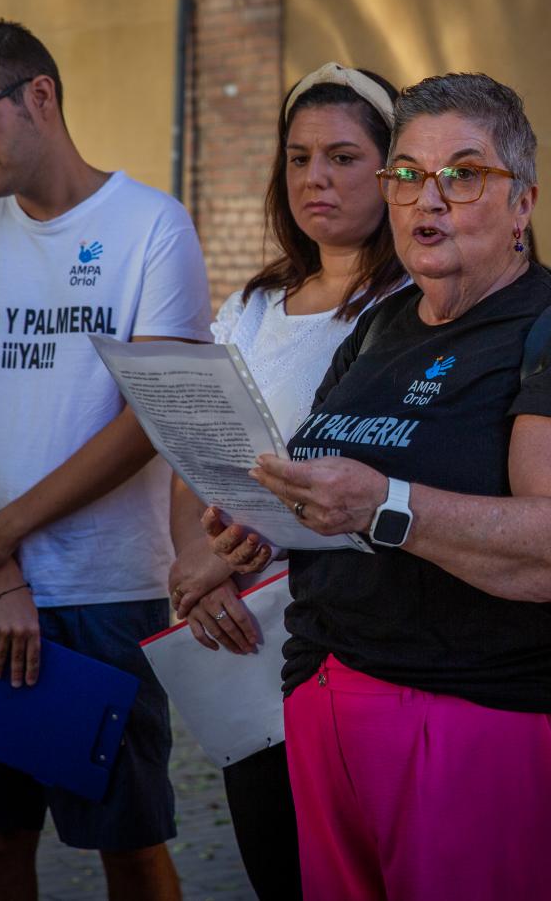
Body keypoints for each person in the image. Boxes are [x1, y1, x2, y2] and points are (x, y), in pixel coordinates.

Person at [208, 72, 551, 900]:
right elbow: (335, 482)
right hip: (335, 701)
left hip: (498, 720)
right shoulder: (381, 326)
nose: (430, 199)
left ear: (522, 202)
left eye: (464, 174)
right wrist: (270, 514)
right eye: (409, 175)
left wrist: (385, 505)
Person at [0, 17, 212, 901]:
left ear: (39, 95)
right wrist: (0, 573)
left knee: (128, 845)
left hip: (107, 593)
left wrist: (5, 534)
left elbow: (149, 420)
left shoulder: (152, 227)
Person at [167, 61, 404, 900]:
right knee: (278, 864)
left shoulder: (413, 304)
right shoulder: (254, 306)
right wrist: (199, 567)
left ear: (392, 168)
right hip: (247, 641)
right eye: (299, 157)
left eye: (343, 157)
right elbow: (192, 454)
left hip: (356, 641)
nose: (316, 178)